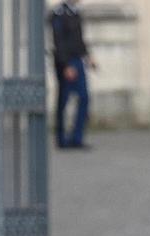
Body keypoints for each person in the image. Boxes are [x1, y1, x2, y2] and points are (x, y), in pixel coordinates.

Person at [49, 1, 94, 150]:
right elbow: (59, 41)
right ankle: (61, 139)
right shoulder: (59, 13)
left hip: (77, 60)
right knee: (64, 100)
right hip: (65, 61)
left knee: (84, 97)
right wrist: (66, 64)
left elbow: (79, 39)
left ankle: (77, 137)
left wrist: (88, 56)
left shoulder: (76, 13)